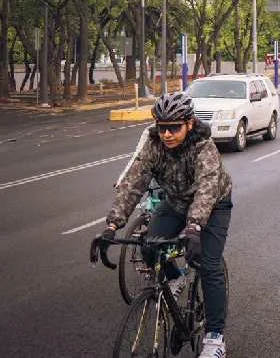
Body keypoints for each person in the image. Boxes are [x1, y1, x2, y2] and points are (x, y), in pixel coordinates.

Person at [94, 92, 233, 358]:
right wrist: (111, 227)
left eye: (174, 128)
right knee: (149, 245)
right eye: (162, 128)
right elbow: (134, 184)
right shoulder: (154, 145)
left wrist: (194, 228)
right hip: (176, 202)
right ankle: (175, 277)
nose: (167, 134)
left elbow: (206, 190)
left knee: (209, 265)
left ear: (189, 124)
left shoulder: (203, 147)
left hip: (214, 205)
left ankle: (215, 338)